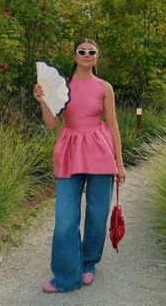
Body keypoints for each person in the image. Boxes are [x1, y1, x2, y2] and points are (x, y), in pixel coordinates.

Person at [33, 38, 126, 293]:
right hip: (70, 153)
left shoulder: (104, 87)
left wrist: (120, 163)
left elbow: (113, 125)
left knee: (97, 216)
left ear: (97, 56)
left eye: (91, 51)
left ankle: (88, 263)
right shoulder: (62, 87)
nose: (86, 54)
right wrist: (43, 102)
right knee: (64, 219)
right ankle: (65, 276)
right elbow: (52, 124)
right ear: (75, 56)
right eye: (81, 51)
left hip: (100, 154)